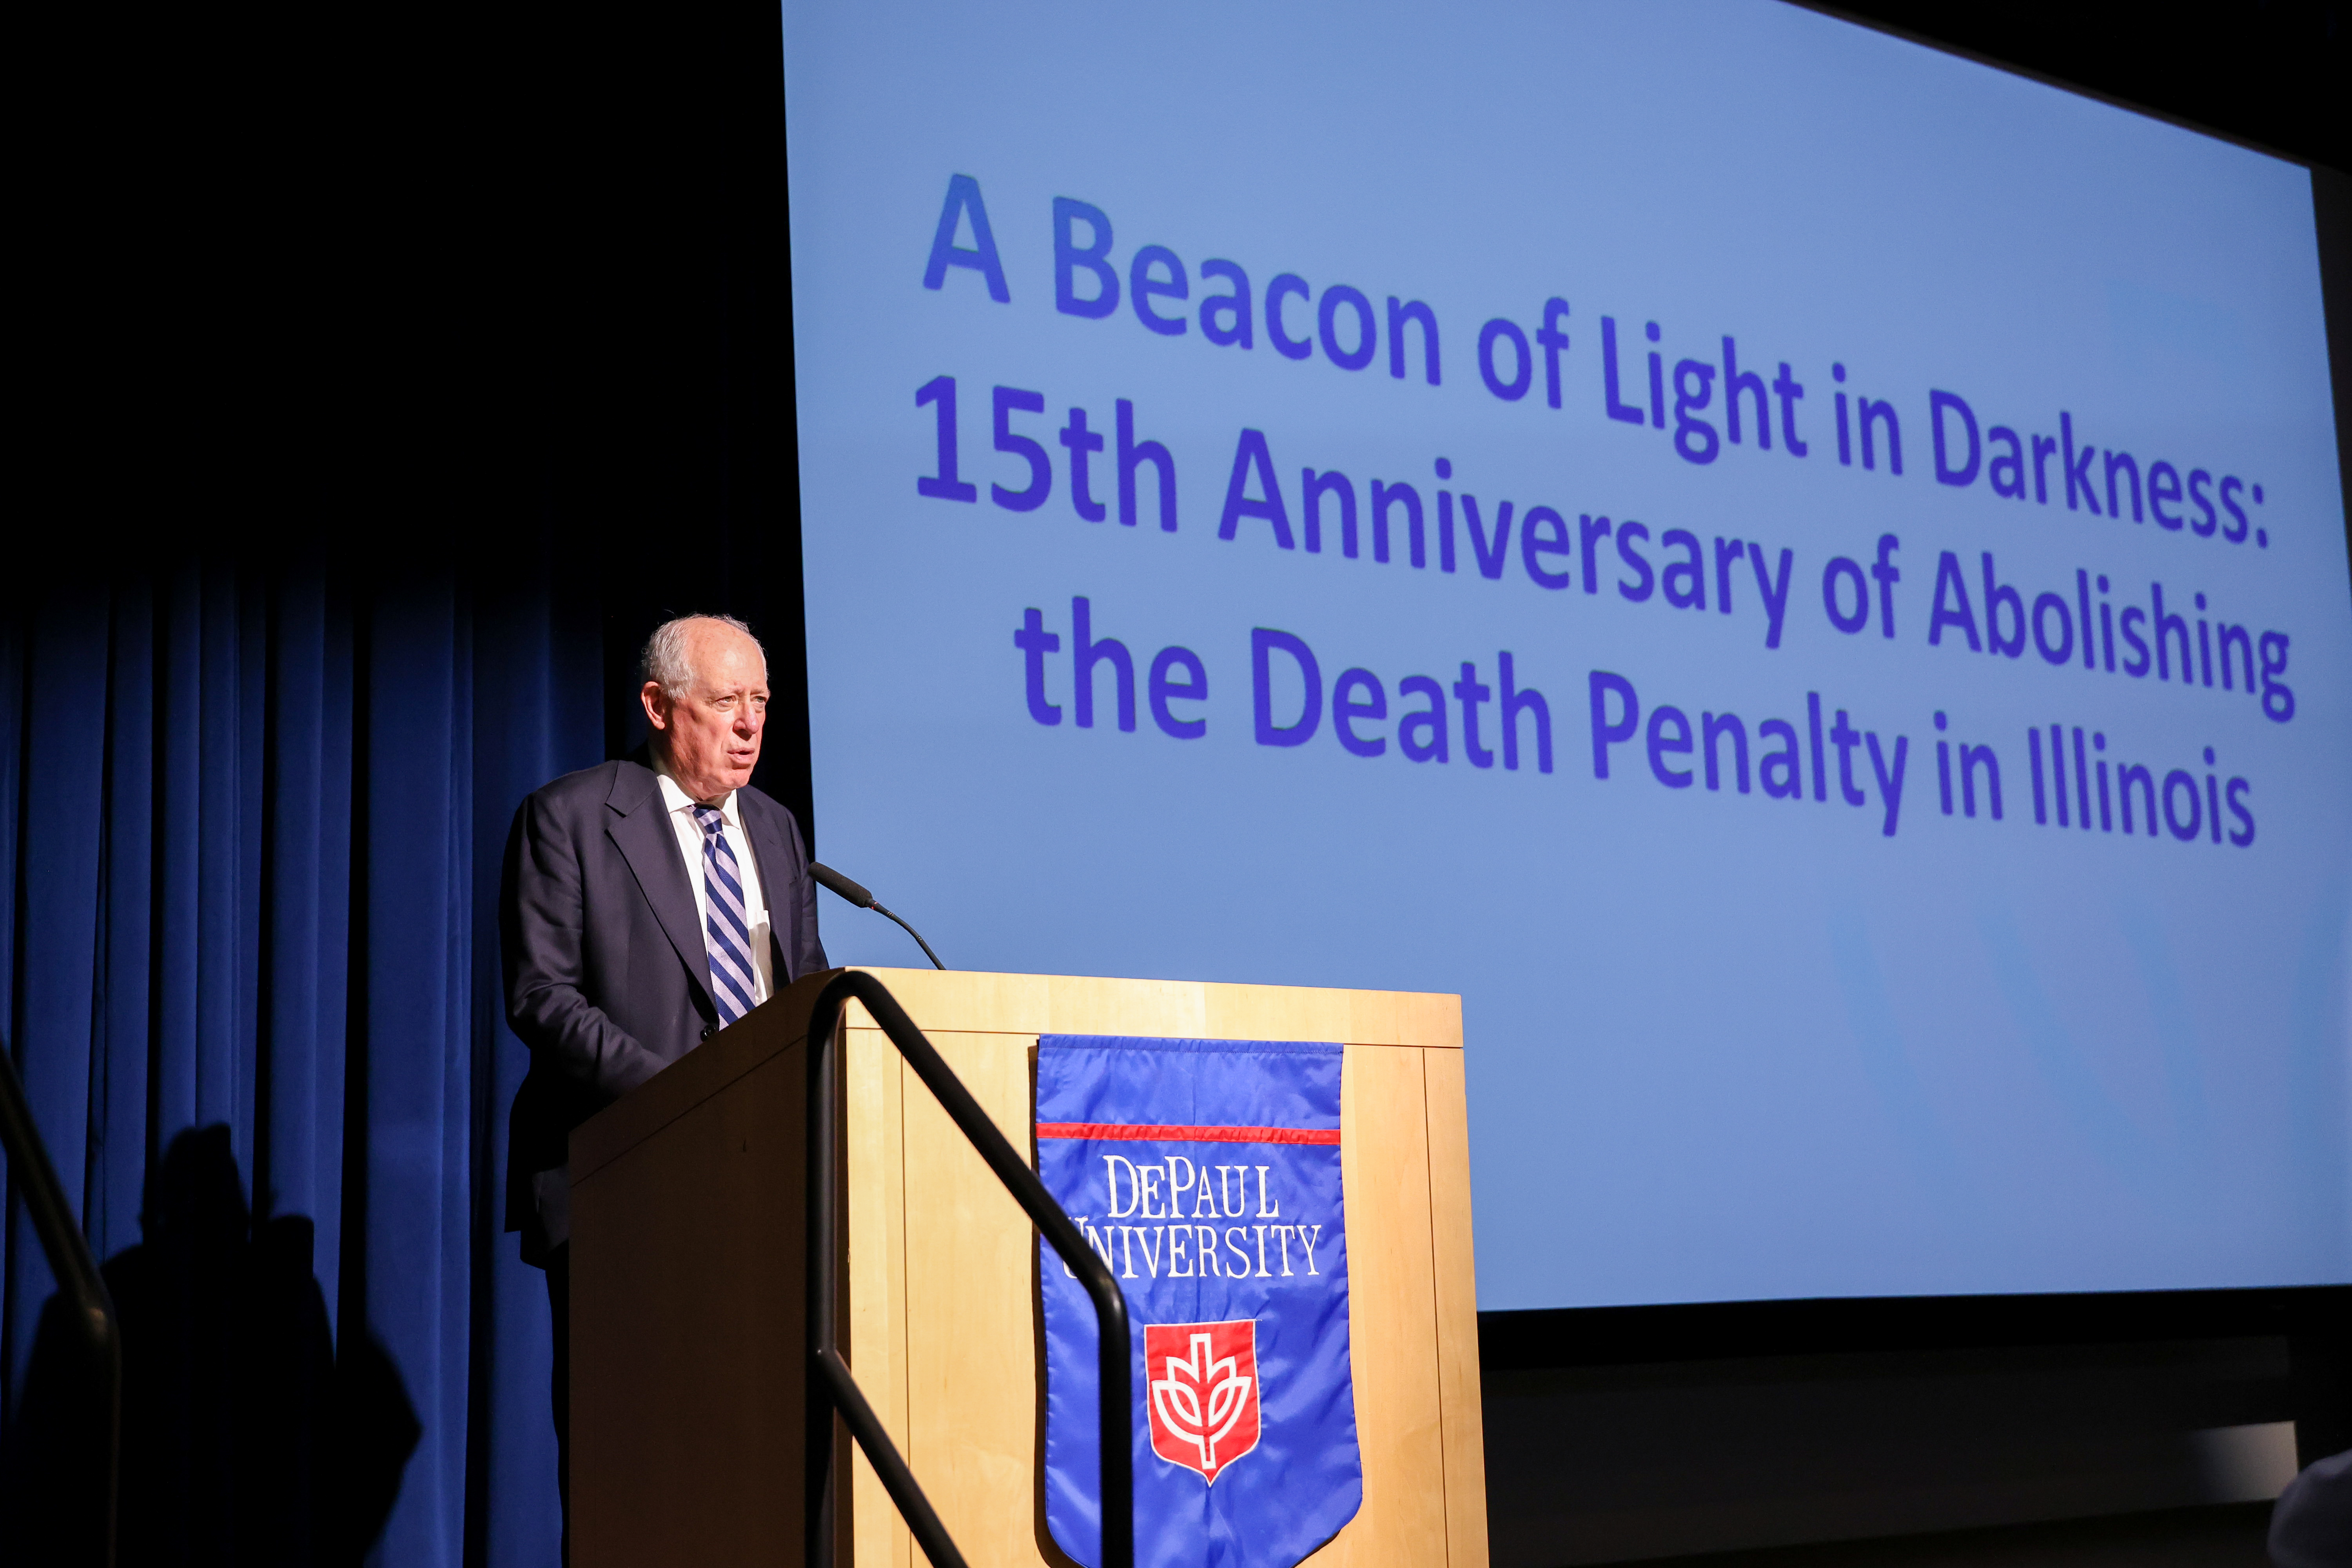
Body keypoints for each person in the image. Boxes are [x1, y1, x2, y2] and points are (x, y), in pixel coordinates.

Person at [499, 613, 827, 1544]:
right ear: (657, 704)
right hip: (624, 1181)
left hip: (763, 1184)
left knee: (757, 1454)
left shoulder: (775, 828)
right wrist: (686, 1099)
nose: (750, 725)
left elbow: (801, 985)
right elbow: (543, 998)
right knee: (634, 1464)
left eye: (761, 702)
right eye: (726, 701)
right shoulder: (570, 817)